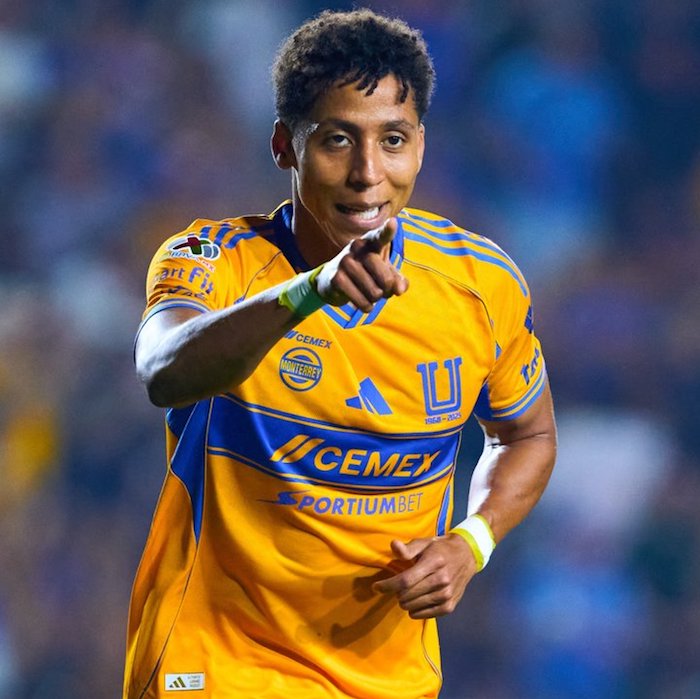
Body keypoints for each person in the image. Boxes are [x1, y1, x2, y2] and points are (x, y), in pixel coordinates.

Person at [124, 8, 557, 699]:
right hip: (218, 662)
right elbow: (164, 370)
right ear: (284, 146)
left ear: (421, 146)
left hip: (389, 676)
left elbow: (527, 435)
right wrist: (309, 293)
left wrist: (471, 542)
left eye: (393, 140)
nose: (367, 173)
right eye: (337, 140)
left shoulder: (481, 285)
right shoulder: (214, 260)